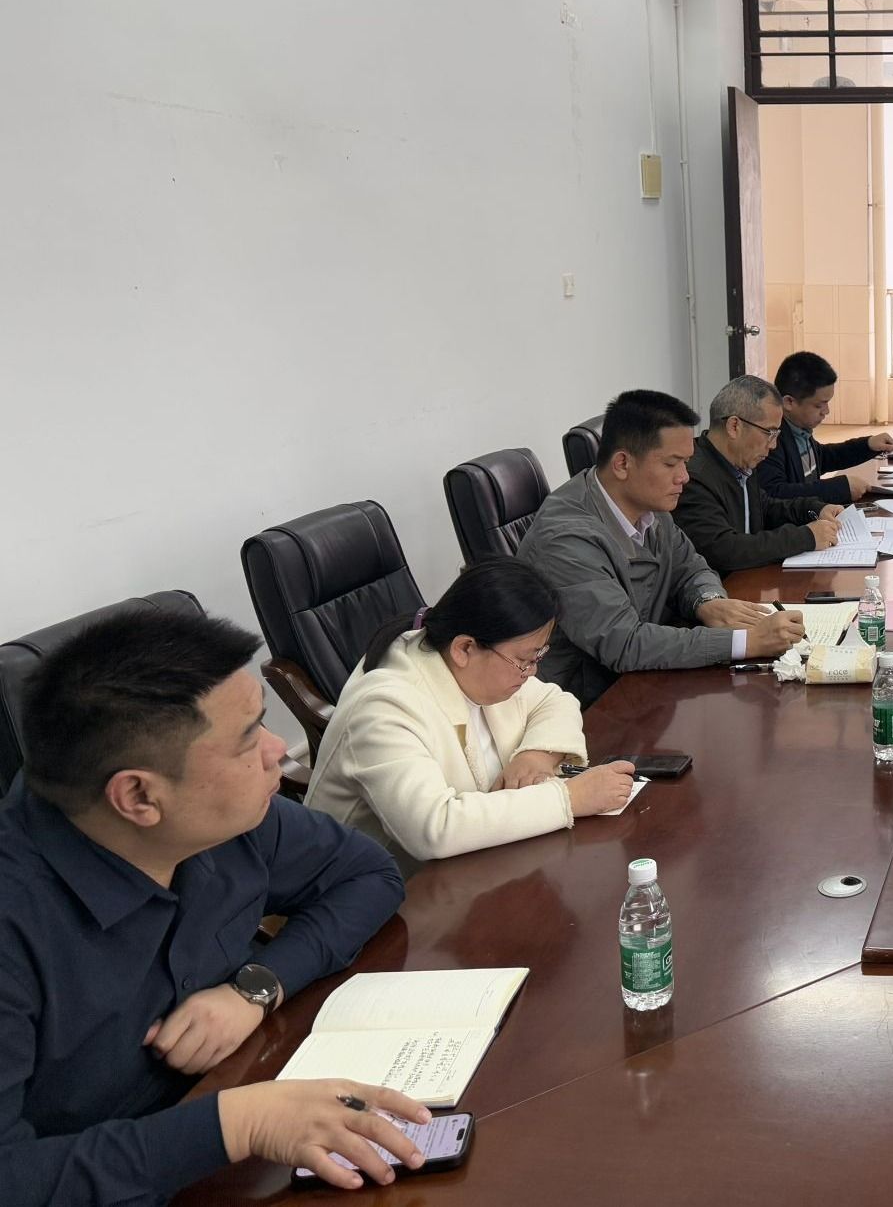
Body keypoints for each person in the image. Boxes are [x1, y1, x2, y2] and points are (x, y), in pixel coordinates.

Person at [0, 609, 435, 1203]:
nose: (278, 750)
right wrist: (239, 1123)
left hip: (246, 1102)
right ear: (139, 795)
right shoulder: (17, 923)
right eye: (249, 737)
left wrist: (256, 989)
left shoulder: (224, 820)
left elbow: (368, 875)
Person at [306, 558, 639, 867]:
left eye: (537, 658)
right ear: (464, 648)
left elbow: (555, 701)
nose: (531, 672)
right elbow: (434, 828)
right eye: (524, 660)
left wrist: (537, 754)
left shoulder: (480, 665)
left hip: (468, 867)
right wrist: (568, 799)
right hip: (369, 889)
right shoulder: (384, 706)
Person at [519, 389, 804, 708]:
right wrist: (745, 642)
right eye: (672, 464)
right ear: (622, 464)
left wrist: (708, 601)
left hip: (643, 681)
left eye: (686, 462)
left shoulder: (649, 506)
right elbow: (624, 643)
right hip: (586, 705)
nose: (684, 477)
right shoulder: (566, 537)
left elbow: (692, 567)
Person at [674, 375, 846, 576]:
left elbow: (764, 507)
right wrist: (806, 537)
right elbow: (723, 549)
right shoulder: (692, 477)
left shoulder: (740, 461)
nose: (773, 445)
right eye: (769, 433)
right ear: (734, 426)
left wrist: (815, 509)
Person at [758, 351, 893, 505]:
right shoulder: (770, 442)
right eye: (819, 405)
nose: (826, 411)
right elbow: (775, 493)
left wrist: (868, 445)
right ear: (789, 402)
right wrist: (839, 488)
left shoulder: (799, 430)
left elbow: (823, 458)